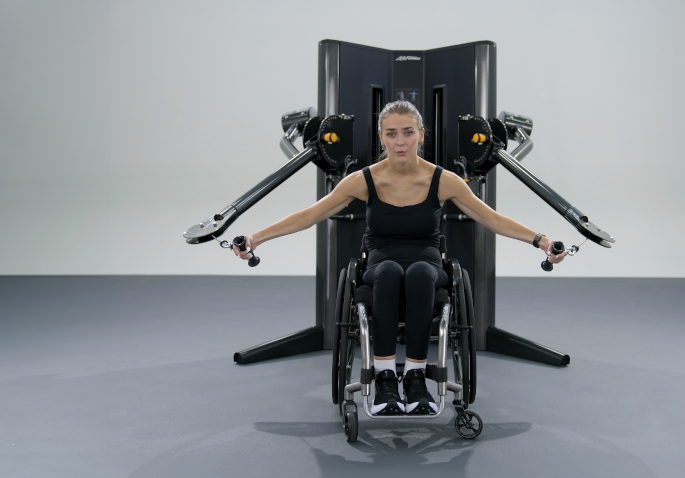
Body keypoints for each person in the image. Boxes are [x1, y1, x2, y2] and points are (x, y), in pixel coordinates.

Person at [234, 100, 567, 415]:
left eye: (408, 132)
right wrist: (255, 238)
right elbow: (309, 215)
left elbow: (492, 218)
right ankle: (385, 379)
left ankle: (416, 377)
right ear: (382, 137)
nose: (400, 142)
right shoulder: (364, 180)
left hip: (428, 264)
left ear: (421, 135)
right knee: (390, 271)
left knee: (421, 271)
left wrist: (542, 241)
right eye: (391, 133)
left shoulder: (443, 180)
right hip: (379, 265)